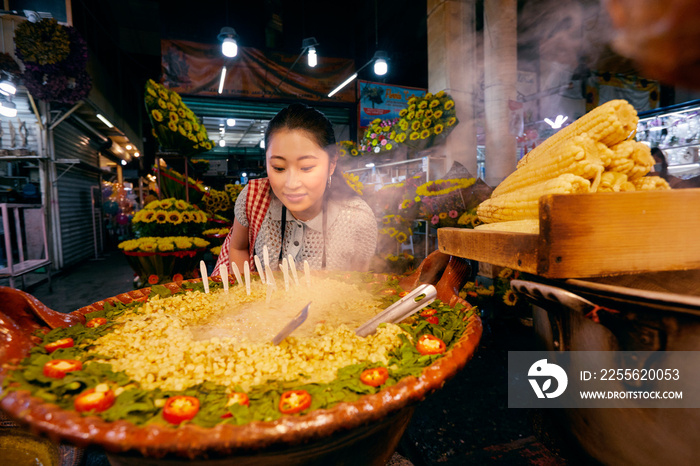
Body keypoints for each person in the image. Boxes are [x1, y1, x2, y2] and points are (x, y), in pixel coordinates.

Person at [213, 103, 377, 275]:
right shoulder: (253, 198)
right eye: (278, 167)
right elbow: (238, 248)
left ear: (332, 164)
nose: (291, 184)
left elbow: (361, 283)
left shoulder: (358, 218)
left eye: (306, 167)